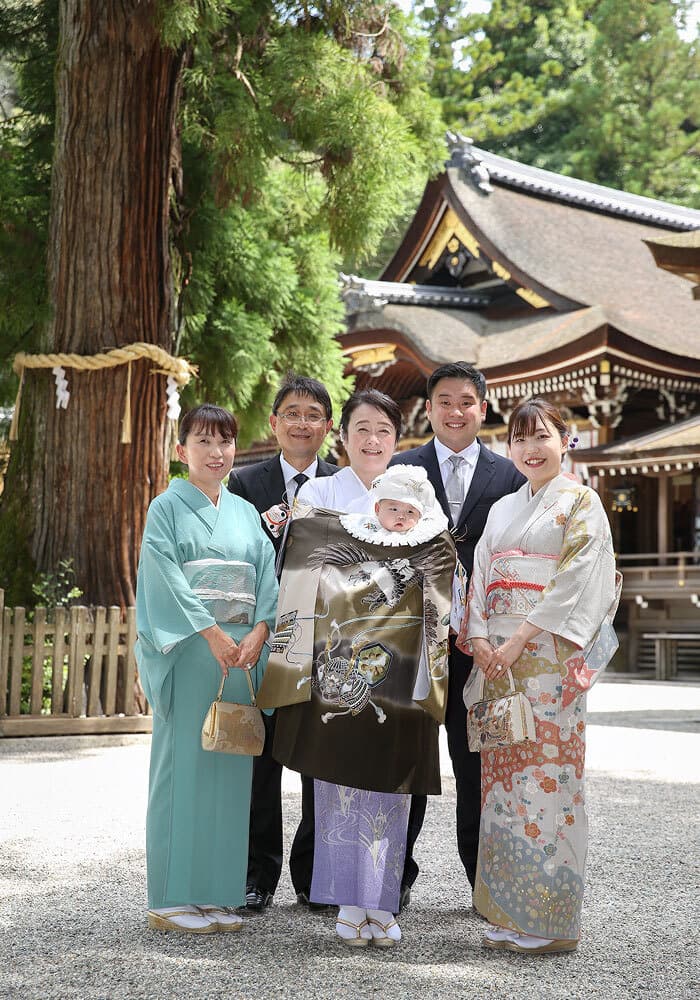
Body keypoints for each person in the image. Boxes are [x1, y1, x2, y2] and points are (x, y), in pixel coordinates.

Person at [258, 458, 455, 948]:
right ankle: (346, 901)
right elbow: (311, 552)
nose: (399, 518)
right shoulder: (345, 534)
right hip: (342, 685)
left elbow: (440, 612)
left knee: (391, 796)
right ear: (375, 504)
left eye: (409, 510)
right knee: (337, 794)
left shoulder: (433, 544)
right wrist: (293, 517)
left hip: (400, 693)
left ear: (422, 510)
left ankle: (382, 902)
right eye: (390, 507)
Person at [458, 398, 621, 954]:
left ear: (566, 440)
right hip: (499, 661)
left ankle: (550, 922)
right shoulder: (504, 508)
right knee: (502, 783)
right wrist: (479, 638)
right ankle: (509, 908)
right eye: (520, 438)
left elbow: (579, 577)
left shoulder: (581, 503)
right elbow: (480, 573)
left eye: (542, 436)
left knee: (548, 782)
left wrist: (520, 637)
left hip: (548, 657)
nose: (530, 448)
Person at [136, 404, 278, 934]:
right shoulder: (165, 508)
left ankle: (217, 892)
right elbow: (165, 576)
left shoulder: (244, 512)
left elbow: (267, 573)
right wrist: (212, 633)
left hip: (242, 652)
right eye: (203, 442)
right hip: (194, 647)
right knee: (184, 766)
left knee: (230, 766)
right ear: (182, 451)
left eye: (225, 443)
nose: (216, 453)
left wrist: (260, 630)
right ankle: (172, 896)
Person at [392, 362, 525, 905]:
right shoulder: (403, 468)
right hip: (414, 646)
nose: (454, 411)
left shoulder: (510, 475)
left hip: (481, 645)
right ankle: (393, 879)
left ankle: (484, 883)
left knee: (478, 769)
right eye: (443, 400)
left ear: (482, 409)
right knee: (406, 766)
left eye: (465, 401)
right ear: (429, 407)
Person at [227, 375, 337, 912]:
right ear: (274, 423)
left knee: (321, 757)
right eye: (291, 412)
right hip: (266, 637)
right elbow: (238, 563)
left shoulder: (343, 486)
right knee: (261, 759)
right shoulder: (245, 484)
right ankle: (258, 872)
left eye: (313, 414)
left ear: (328, 426)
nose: (301, 423)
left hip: (328, 643)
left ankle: (315, 874)